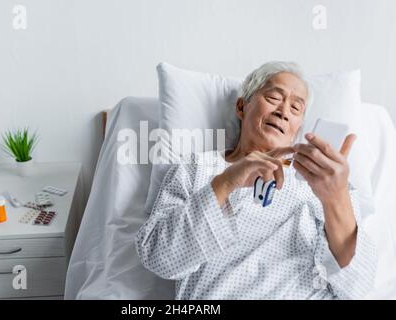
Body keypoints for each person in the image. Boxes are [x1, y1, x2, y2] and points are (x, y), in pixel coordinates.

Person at [135, 61, 377, 299]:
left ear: (298, 127)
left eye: (295, 108)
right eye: (273, 98)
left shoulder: (323, 182)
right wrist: (226, 183)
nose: (283, 111)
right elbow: (160, 259)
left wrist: (335, 199)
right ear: (242, 107)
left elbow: (357, 286)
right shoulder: (197, 170)